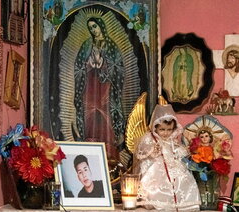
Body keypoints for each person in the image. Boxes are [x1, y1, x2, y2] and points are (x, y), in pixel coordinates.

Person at [73, 17, 125, 162]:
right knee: (89, 113)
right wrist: (89, 65)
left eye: (95, 26)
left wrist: (103, 67)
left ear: (101, 26)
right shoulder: (86, 45)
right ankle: (90, 150)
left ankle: (109, 155)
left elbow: (118, 68)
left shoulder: (111, 46)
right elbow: (78, 67)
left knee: (105, 114)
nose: (93, 30)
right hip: (89, 86)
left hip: (105, 88)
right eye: (90, 28)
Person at [134, 103, 201, 211]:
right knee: (157, 181)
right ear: (155, 128)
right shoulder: (150, 138)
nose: (166, 133)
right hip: (156, 165)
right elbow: (143, 151)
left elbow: (176, 150)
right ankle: (157, 201)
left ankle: (183, 203)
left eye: (169, 130)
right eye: (162, 129)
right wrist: (153, 150)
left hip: (173, 165)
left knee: (182, 178)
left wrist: (183, 151)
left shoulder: (171, 140)